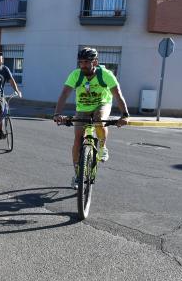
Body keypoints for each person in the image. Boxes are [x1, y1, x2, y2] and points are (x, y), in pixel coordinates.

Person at [53, 47, 130, 188]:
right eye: (80, 62)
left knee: (99, 120)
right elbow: (64, 94)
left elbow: (117, 94)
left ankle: (102, 146)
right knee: (77, 138)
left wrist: (125, 115)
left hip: (102, 104)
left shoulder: (106, 74)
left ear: (95, 62)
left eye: (86, 62)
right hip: (82, 108)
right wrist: (57, 114)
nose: (83, 65)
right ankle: (77, 173)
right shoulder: (76, 75)